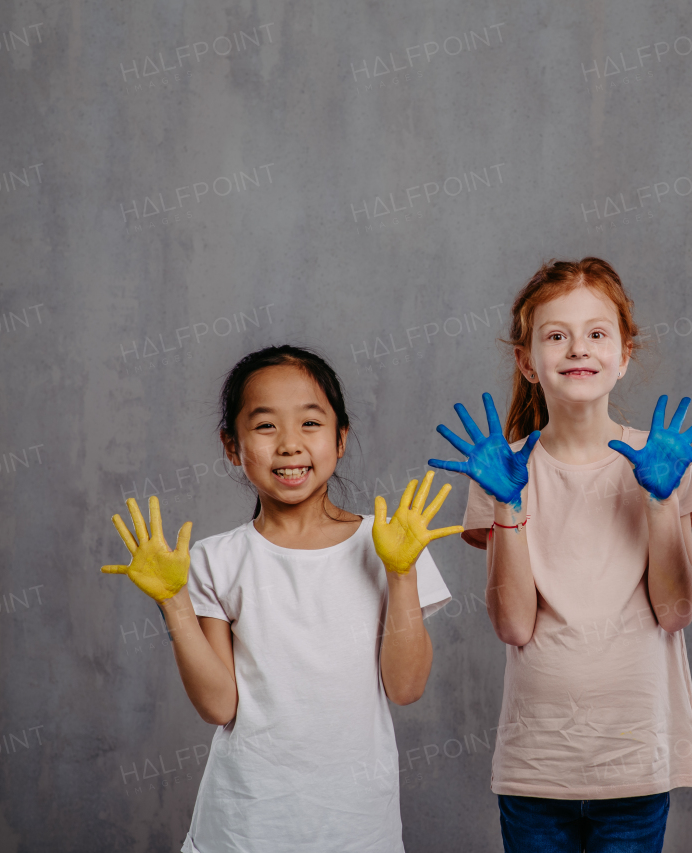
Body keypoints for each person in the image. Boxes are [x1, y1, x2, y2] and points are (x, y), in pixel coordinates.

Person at [99, 345, 462, 852]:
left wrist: (401, 574)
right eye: (265, 426)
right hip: (242, 826)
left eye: (310, 424)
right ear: (232, 445)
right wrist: (174, 602)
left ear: (341, 437)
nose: (290, 445)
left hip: (357, 828)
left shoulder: (392, 543)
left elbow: (405, 687)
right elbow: (219, 705)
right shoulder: (213, 559)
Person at [428, 258, 692, 853]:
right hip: (537, 765)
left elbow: (675, 612)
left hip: (635, 760)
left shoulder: (661, 457)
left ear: (625, 353)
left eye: (596, 333)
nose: (577, 349)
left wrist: (662, 500)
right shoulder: (501, 468)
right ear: (526, 360)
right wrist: (507, 503)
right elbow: (513, 626)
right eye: (555, 335)